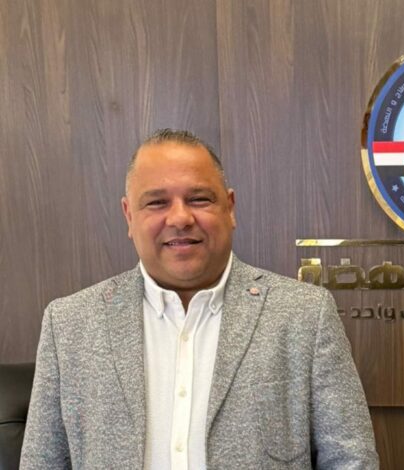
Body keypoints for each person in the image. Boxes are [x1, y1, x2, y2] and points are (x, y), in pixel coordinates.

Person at [21, 129, 379, 469]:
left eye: (199, 199)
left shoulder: (305, 315)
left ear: (230, 208)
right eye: (157, 202)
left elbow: (351, 460)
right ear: (129, 215)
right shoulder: (69, 324)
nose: (180, 217)